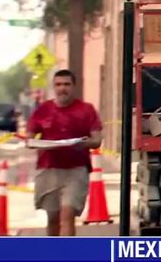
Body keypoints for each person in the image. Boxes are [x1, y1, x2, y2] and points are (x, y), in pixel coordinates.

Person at [25, 69, 103, 236]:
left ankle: (68, 251)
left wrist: (83, 144)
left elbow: (97, 140)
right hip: (49, 169)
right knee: (53, 218)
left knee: (67, 215)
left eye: (67, 84)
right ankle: (54, 251)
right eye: (58, 84)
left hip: (76, 170)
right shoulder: (43, 110)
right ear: (54, 87)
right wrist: (35, 143)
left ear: (74, 86)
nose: (62, 88)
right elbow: (29, 138)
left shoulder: (86, 109)